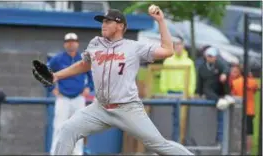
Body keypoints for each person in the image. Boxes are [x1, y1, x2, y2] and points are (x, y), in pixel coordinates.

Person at [50, 6, 194, 155]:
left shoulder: (133, 47)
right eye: (102, 22)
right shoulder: (95, 44)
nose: (103, 24)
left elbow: (168, 50)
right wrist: (56, 75)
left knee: (158, 145)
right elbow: (84, 65)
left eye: (108, 21)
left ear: (120, 26)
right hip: (99, 108)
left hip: (127, 108)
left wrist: (160, 21)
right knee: (68, 129)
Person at [47, 33, 94, 155]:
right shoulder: (57, 59)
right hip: (63, 97)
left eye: (73, 41)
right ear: (64, 44)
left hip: (79, 97)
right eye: (68, 41)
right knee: (59, 126)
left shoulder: (84, 59)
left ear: (77, 43)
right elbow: (44, 73)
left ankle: (77, 152)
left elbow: (93, 75)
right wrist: (51, 88)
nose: (71, 43)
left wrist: (89, 87)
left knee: (78, 127)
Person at [230, 65, 258, 154]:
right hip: (250, 111)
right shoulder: (252, 82)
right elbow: (255, 90)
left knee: (238, 132)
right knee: (248, 133)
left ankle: (239, 151)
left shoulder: (235, 82)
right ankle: (248, 152)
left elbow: (232, 95)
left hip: (238, 110)